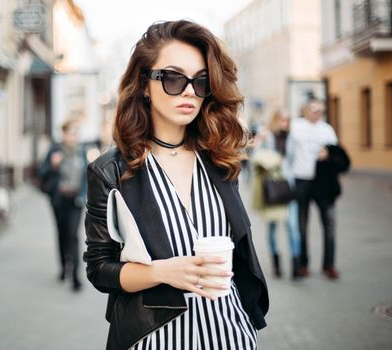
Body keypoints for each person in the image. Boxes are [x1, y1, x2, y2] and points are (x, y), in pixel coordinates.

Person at [83, 20, 268, 350]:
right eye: (172, 77)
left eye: (200, 81)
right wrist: (161, 272)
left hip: (230, 334)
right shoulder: (110, 171)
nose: (188, 91)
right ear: (143, 84)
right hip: (154, 338)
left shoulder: (221, 161)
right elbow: (99, 269)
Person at [287, 99, 341, 279]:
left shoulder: (327, 129)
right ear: (306, 110)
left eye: (320, 110)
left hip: (322, 182)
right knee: (301, 225)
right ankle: (303, 264)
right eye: (314, 109)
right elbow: (289, 153)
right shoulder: (296, 126)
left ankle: (329, 265)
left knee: (329, 224)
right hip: (301, 180)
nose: (317, 113)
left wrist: (328, 154)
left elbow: (336, 152)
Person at [252, 108, 301, 279]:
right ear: (275, 120)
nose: (285, 124)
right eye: (282, 120)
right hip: (271, 187)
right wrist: (272, 157)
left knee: (293, 227)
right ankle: (276, 265)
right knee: (272, 226)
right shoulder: (266, 136)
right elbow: (256, 157)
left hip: (288, 186)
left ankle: (296, 266)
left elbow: (295, 161)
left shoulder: (292, 138)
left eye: (287, 120)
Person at [39, 118, 87, 291]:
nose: (74, 136)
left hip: (76, 201)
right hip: (59, 200)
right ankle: (62, 266)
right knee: (61, 234)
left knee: (73, 235)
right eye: (71, 132)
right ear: (64, 134)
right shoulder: (55, 150)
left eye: (76, 133)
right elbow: (41, 171)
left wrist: (84, 195)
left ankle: (75, 277)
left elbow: (87, 176)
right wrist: (53, 165)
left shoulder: (83, 151)